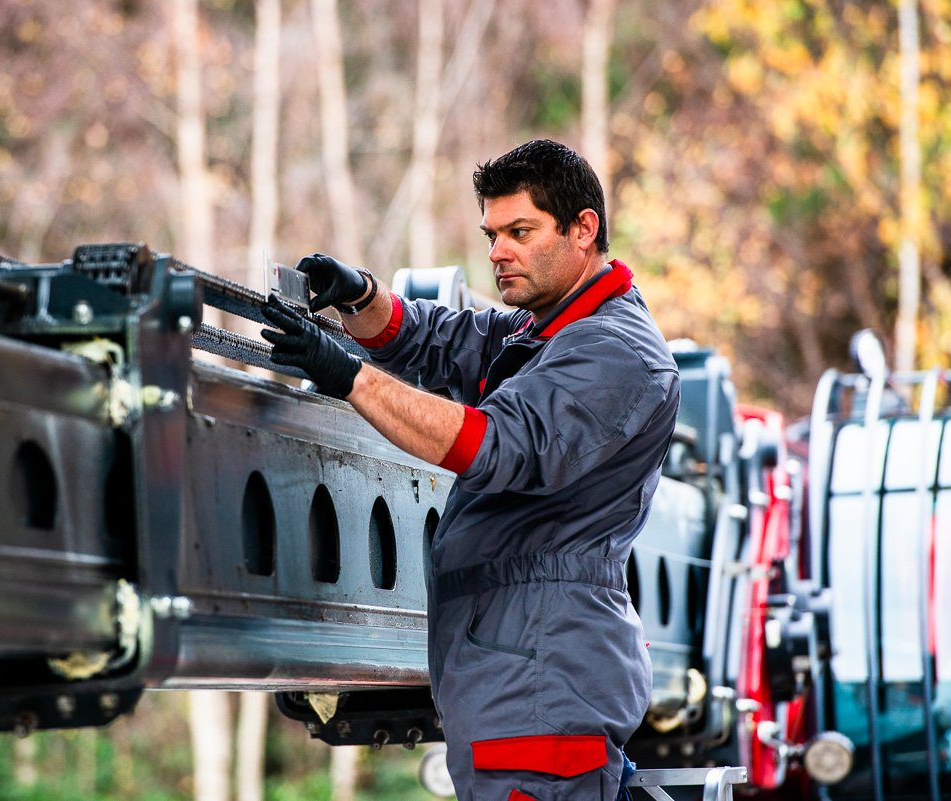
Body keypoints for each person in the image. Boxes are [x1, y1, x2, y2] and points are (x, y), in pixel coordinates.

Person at [261, 139, 680, 801]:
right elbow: (443, 340)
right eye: (491, 235)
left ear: (583, 229)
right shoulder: (547, 331)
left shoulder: (615, 352)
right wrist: (362, 298)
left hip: (541, 685)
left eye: (520, 232)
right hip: (515, 679)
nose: (497, 252)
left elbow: (493, 443)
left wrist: (348, 376)